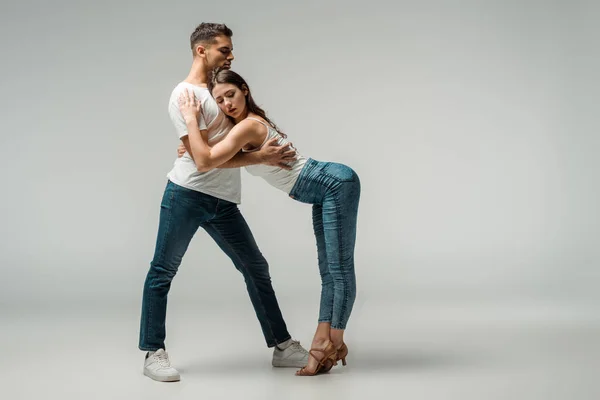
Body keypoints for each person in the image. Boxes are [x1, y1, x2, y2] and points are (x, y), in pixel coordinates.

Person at [139, 23, 309, 382]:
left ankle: (282, 346)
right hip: (185, 194)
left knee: (255, 268)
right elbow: (203, 161)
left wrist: (261, 148)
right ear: (202, 50)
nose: (231, 55)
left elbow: (220, 143)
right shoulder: (184, 96)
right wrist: (260, 158)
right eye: (224, 49)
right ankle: (153, 353)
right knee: (162, 271)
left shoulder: (220, 90)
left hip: (223, 200)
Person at [176, 67, 361, 376]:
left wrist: (191, 122)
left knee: (338, 269)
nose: (226, 105)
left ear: (244, 90)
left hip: (334, 183)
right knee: (328, 271)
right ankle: (325, 340)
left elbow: (207, 159)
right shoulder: (240, 129)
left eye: (230, 95)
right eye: (219, 101)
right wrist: (194, 147)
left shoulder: (248, 126)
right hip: (323, 189)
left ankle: (331, 341)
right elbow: (210, 156)